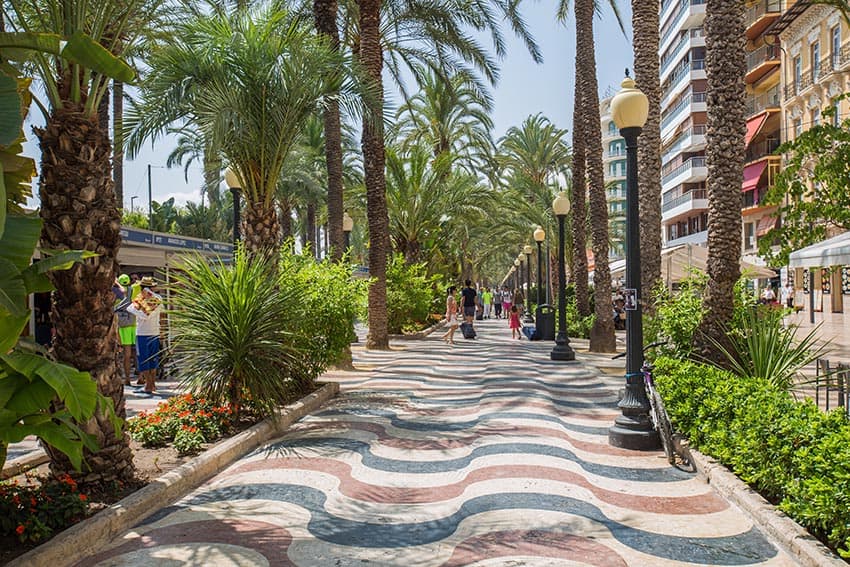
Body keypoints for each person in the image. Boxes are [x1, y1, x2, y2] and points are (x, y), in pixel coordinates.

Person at [127, 276, 163, 394]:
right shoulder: (159, 299)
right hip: (155, 332)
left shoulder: (140, 299)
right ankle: (152, 384)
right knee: (153, 359)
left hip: (142, 333)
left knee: (143, 359)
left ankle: (148, 385)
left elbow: (131, 309)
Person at [114, 274, 137, 386]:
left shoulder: (114, 292)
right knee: (137, 352)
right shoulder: (134, 289)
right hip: (134, 323)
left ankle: (127, 378)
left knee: (126, 354)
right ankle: (141, 377)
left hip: (123, 325)